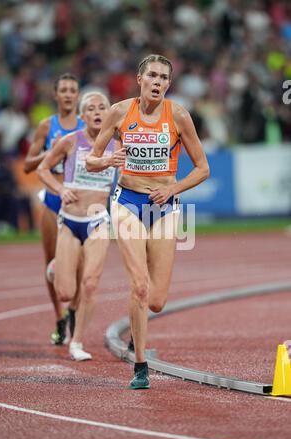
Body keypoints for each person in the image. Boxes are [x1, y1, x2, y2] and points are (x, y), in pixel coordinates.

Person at [86, 54, 210, 389]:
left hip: (164, 207)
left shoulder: (179, 115)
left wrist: (173, 187)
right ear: (139, 78)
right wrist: (109, 159)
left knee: (156, 300)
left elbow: (202, 168)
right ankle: (140, 364)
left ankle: (136, 332)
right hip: (127, 201)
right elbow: (91, 160)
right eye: (152, 76)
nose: (158, 82)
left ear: (169, 84)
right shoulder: (119, 112)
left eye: (164, 78)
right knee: (139, 285)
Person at [37, 91, 118, 360]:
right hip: (70, 221)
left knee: (91, 284)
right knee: (65, 293)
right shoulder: (71, 141)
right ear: (83, 116)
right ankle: (54, 269)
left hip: (98, 221)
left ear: (109, 114)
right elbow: (42, 169)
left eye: (102, 107)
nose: (97, 112)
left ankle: (77, 342)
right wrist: (60, 190)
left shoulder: (117, 145)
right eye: (91, 108)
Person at [24, 73, 85, 345]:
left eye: (73, 90)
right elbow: (28, 165)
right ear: (56, 94)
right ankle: (59, 317)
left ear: (78, 94)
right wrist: (53, 152)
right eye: (64, 90)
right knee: (50, 263)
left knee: (81, 265)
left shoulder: (87, 126)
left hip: (78, 200)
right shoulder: (46, 126)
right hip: (52, 198)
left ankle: (73, 310)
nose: (69, 94)